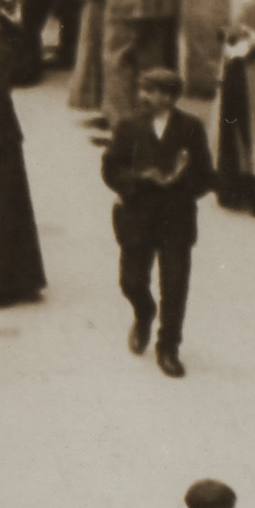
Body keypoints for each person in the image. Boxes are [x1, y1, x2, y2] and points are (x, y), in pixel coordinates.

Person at [107, 72, 210, 377]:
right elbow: (110, 168)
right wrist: (137, 179)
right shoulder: (129, 127)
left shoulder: (191, 128)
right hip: (137, 216)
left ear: (169, 96)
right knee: (131, 281)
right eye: (143, 89)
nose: (143, 97)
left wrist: (181, 181)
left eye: (151, 91)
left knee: (175, 286)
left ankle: (168, 348)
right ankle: (144, 312)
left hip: (176, 219)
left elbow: (205, 174)